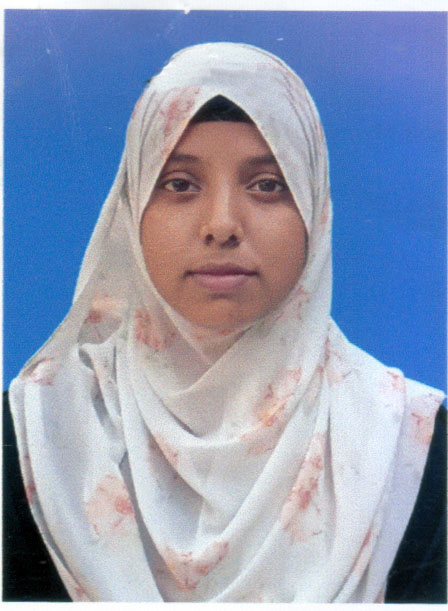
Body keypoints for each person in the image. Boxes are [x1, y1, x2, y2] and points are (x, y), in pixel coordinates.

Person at [5, 42, 445, 602]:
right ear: (131, 209)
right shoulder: (39, 434)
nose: (222, 225)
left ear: (315, 211)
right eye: (179, 184)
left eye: (267, 185)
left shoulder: (408, 444)